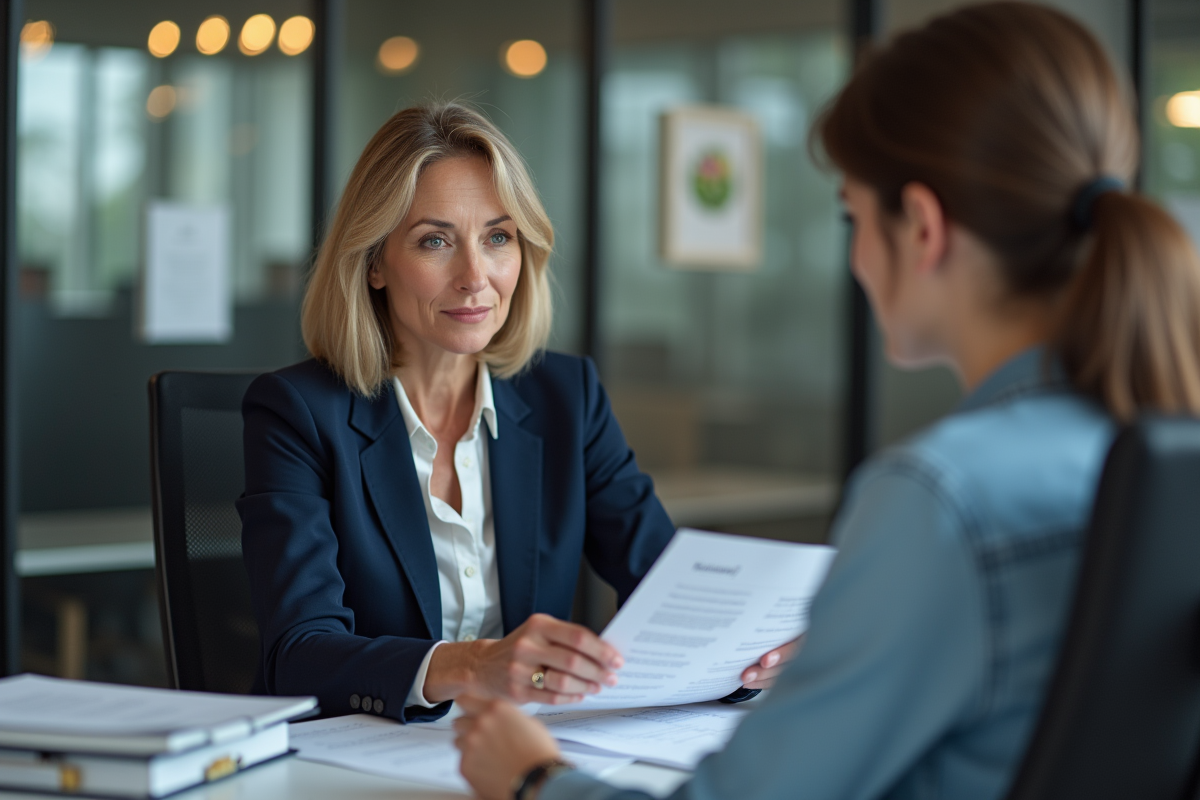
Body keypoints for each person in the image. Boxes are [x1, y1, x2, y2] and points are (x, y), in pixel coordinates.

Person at [451, 3, 1200, 798]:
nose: (855, 257)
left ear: (921, 227)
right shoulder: (1152, 442)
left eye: (852, 215)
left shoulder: (939, 498)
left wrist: (532, 777)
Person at [238, 103, 789, 724]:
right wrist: (473, 665)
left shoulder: (566, 398)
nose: (476, 276)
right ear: (374, 263)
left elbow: (668, 588)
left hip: (516, 747)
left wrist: (752, 655)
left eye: (497, 237)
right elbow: (299, 654)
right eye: (435, 241)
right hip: (355, 755)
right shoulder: (298, 414)